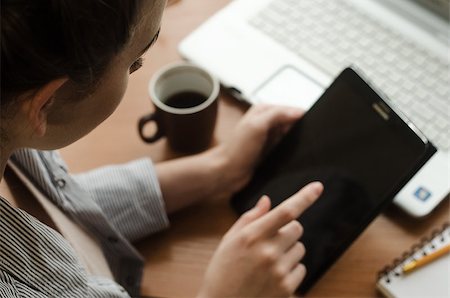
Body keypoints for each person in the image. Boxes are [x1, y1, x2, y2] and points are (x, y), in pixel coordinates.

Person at [0, 0, 323, 297]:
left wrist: (220, 169)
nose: (139, 66)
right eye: (135, 62)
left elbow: (60, 206)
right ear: (44, 104)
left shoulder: (10, 118)